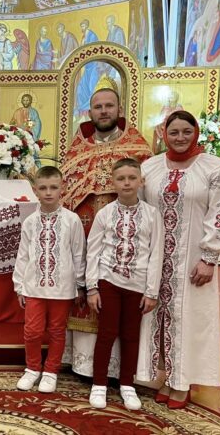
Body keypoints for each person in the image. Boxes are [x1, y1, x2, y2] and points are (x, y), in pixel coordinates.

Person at [137, 110, 220, 409]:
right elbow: (141, 210)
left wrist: (209, 257)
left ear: (196, 133)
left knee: (191, 318)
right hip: (157, 259)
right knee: (158, 316)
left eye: (186, 132)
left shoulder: (212, 167)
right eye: (174, 132)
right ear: (164, 134)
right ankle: (166, 377)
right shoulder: (151, 167)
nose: (180, 138)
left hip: (194, 257)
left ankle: (184, 383)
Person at [60, 86, 152, 379]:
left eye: (109, 106)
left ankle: (119, 372)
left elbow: (146, 192)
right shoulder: (77, 149)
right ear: (90, 112)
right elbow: (66, 188)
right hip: (85, 229)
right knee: (89, 290)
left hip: (125, 240)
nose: (103, 111)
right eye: (98, 107)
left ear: (119, 110)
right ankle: (83, 364)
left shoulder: (138, 148)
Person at [86, 158, 164, 410]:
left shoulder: (152, 215)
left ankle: (127, 385)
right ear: (113, 182)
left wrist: (151, 291)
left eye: (132, 178)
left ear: (141, 181)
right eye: (121, 179)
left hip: (137, 285)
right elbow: (93, 251)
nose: (127, 183)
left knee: (131, 336)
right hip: (109, 282)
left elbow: (156, 253)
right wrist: (92, 287)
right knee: (106, 333)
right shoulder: (105, 214)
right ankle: (99, 384)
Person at [13, 166, 86, 393]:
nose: (48, 192)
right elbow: (23, 255)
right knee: (32, 331)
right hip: (34, 287)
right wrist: (19, 285)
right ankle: (32, 368)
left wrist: (80, 284)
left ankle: (51, 371)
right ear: (35, 190)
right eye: (43, 188)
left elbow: (78, 253)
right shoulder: (30, 222)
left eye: (53, 187)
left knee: (56, 331)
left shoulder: (72, 220)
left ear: (62, 188)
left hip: (62, 288)